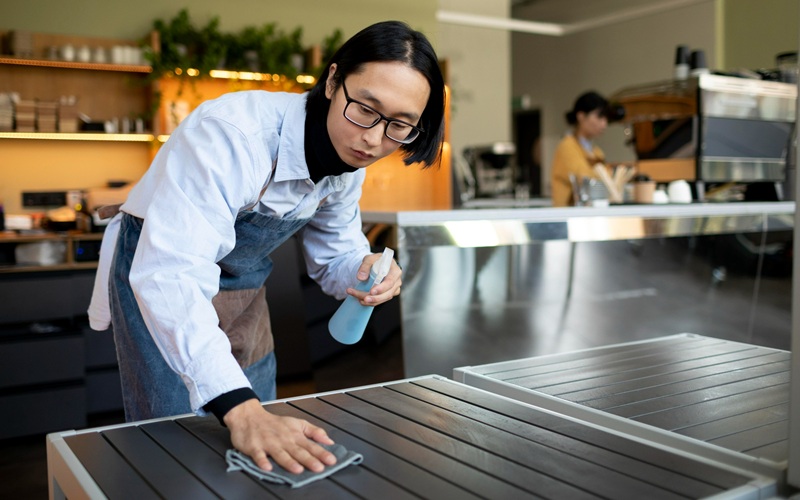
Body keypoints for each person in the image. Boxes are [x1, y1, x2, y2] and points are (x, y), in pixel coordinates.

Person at [87, 20, 445, 474]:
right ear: (333, 81)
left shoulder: (348, 163)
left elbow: (334, 258)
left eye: (399, 126)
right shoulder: (233, 136)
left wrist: (365, 268)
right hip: (162, 284)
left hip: (244, 291)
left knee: (255, 449)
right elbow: (169, 274)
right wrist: (239, 408)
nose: (374, 139)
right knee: (174, 449)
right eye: (366, 110)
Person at [550, 91, 610, 207]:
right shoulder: (566, 146)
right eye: (599, 117)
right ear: (581, 116)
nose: (604, 124)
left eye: (606, 118)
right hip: (567, 216)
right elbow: (584, 178)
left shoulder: (596, 151)